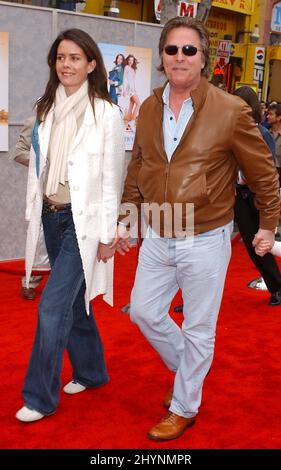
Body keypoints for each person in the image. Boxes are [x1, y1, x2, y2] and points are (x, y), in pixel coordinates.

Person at [113, 17, 280, 441]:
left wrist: (267, 224)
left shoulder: (230, 110)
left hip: (206, 234)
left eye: (189, 50)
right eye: (172, 50)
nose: (180, 57)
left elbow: (262, 174)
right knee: (144, 312)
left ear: (204, 58)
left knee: (199, 328)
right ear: (163, 57)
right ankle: (190, 367)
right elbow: (139, 166)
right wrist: (127, 219)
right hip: (159, 229)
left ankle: (185, 405)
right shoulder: (149, 107)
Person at [16, 28, 125, 422]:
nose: (67, 64)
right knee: (76, 306)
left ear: (91, 64)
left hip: (84, 223)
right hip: (51, 216)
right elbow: (39, 169)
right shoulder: (45, 109)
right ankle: (92, 372)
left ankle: (39, 397)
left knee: (52, 307)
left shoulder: (106, 114)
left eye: (75, 57)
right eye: (61, 57)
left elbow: (112, 177)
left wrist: (109, 234)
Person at [233, 86, 281, 306]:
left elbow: (269, 168)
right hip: (237, 196)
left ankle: (277, 287)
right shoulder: (228, 132)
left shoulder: (262, 134)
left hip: (257, 196)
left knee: (260, 245)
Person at [13, 116, 46, 300]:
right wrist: (41, 162)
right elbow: (20, 152)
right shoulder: (35, 120)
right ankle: (30, 281)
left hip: (70, 189)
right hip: (42, 188)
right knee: (39, 236)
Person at [122, 54, 140, 131]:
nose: (130, 61)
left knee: (131, 105)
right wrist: (124, 89)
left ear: (133, 61)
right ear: (127, 60)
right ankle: (132, 122)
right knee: (138, 104)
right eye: (129, 60)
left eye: (132, 60)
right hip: (130, 89)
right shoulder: (126, 67)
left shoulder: (133, 69)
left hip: (133, 88)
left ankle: (128, 124)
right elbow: (124, 78)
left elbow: (133, 81)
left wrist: (135, 89)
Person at [267, 103, 281, 186]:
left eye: (271, 114)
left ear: (279, 117)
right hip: (266, 172)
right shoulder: (265, 133)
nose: (268, 116)